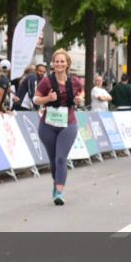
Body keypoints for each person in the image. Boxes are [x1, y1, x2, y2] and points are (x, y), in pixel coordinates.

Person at [33, 49, 85, 206]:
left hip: (68, 124)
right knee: (53, 160)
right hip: (47, 125)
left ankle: (60, 192)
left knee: (61, 158)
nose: (59, 64)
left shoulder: (74, 81)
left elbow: (81, 94)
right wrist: (48, 98)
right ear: (53, 64)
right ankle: (56, 183)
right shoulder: (46, 81)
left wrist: (79, 100)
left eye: (62, 61)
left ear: (67, 64)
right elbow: (35, 99)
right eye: (57, 61)